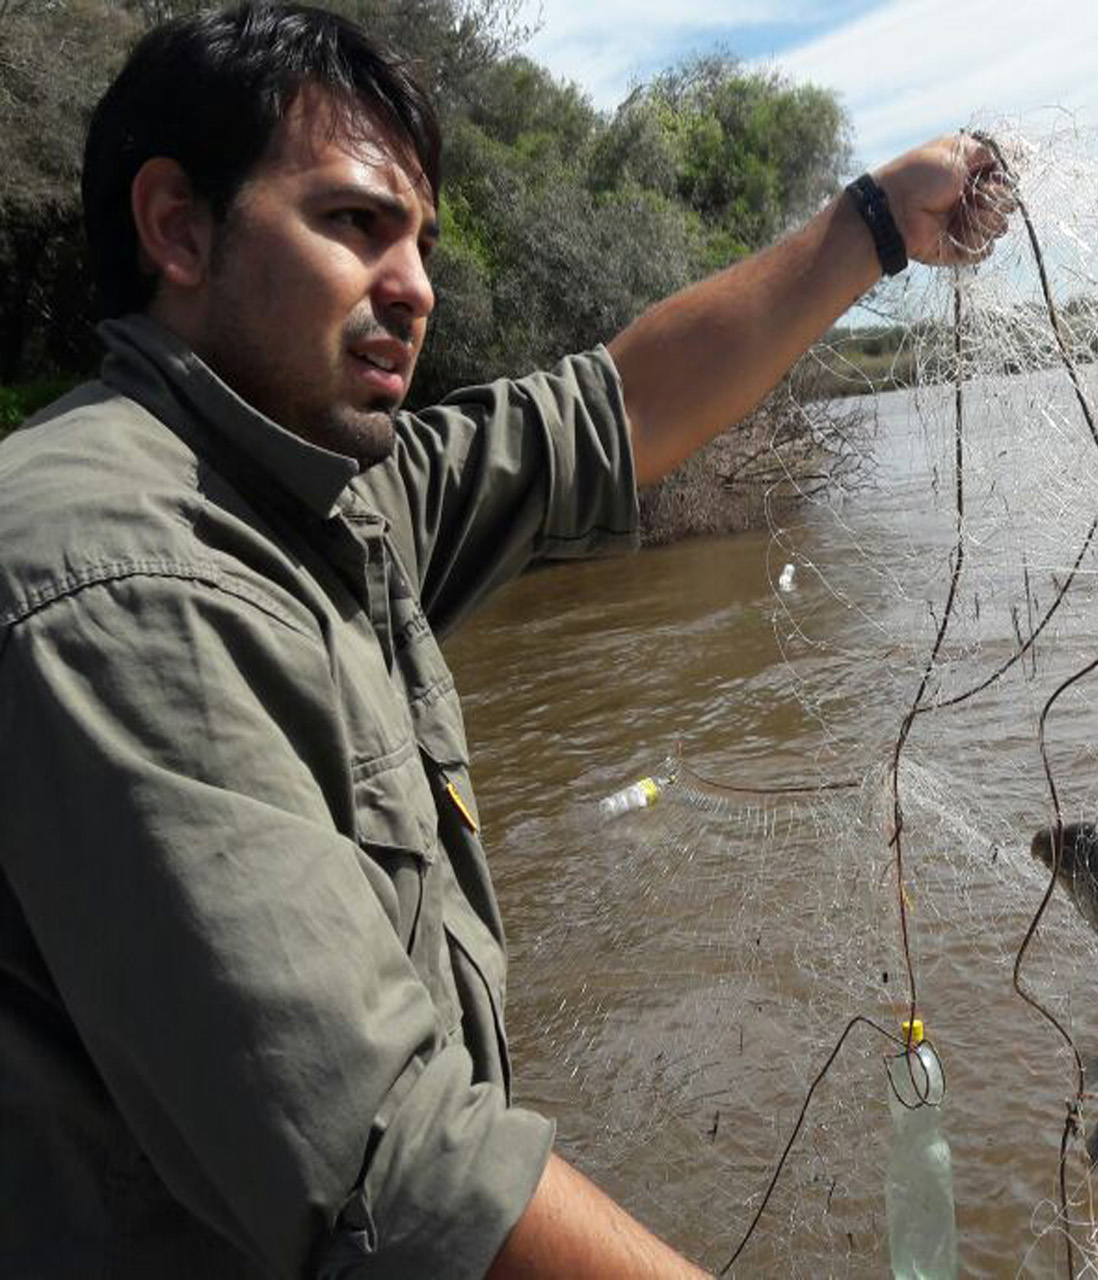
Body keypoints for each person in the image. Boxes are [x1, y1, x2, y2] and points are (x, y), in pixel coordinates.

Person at [0, 4, 1005, 1276]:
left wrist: (878, 223)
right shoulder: (121, 580)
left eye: (418, 237)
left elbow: (615, 409)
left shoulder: (323, 493)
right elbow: (398, 1173)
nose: (416, 282)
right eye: (355, 223)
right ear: (176, 226)